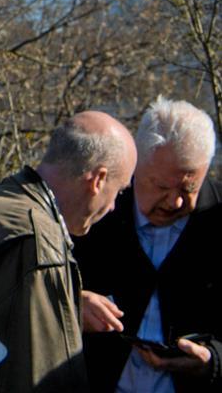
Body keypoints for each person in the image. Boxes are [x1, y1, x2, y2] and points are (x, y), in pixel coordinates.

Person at [0, 111, 137, 393]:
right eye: (118, 191)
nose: (113, 207)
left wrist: (66, 306)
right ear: (98, 179)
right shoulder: (38, 242)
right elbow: (44, 379)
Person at [74, 97, 221, 392]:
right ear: (135, 165)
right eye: (162, 186)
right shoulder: (93, 209)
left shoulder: (216, 218)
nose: (175, 201)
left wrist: (213, 360)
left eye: (189, 187)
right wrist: (73, 303)